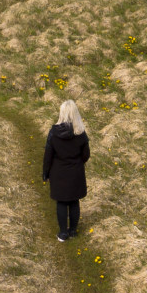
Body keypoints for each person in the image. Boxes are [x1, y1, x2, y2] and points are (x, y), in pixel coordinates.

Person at [41, 99, 90, 241]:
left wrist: (45, 173)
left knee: (61, 202)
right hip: (76, 172)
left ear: (61, 113)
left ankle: (63, 233)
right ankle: (73, 231)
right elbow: (86, 154)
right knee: (74, 201)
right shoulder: (81, 133)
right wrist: (78, 162)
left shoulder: (53, 132)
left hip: (58, 173)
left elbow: (48, 155)